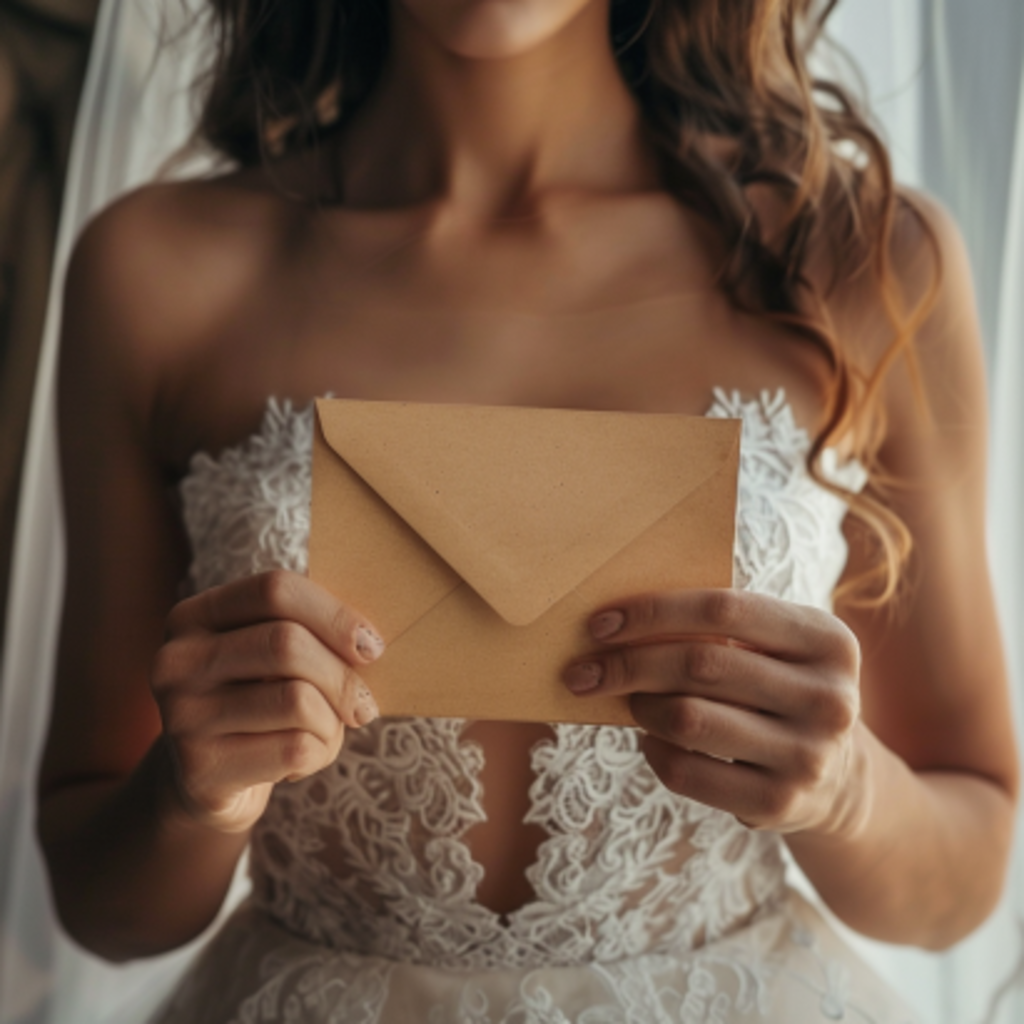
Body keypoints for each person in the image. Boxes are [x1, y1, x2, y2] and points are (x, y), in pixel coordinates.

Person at [33, 0, 1018, 1019]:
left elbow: (969, 870)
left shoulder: (861, 259)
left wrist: (848, 791)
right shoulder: (155, 274)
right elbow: (102, 905)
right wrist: (191, 795)